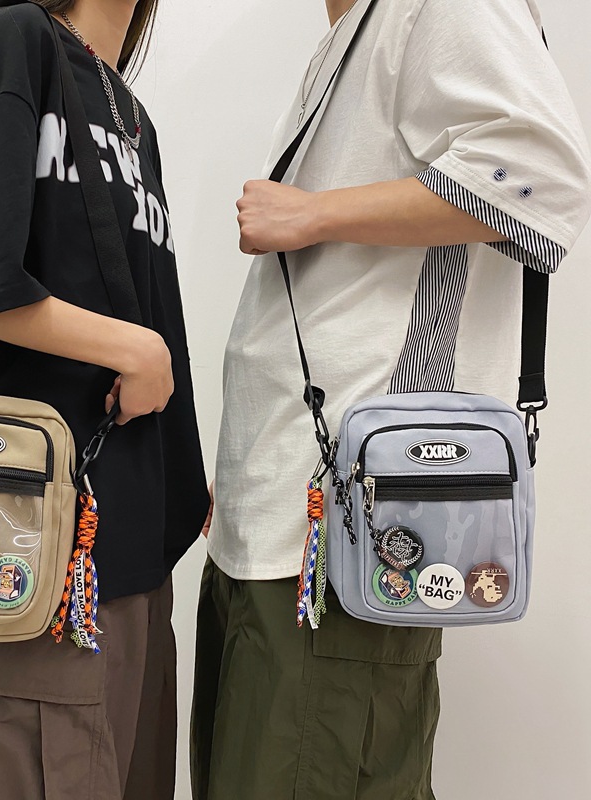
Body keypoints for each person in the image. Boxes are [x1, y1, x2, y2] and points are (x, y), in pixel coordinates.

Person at [192, 1, 591, 798]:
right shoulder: (352, 34)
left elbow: (542, 176)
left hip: (347, 535)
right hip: (283, 519)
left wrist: (313, 212)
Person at [0, 1, 209, 798]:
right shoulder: (20, 39)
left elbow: (150, 308)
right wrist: (136, 350)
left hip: (132, 557)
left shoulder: (133, 116)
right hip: (29, 551)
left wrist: (182, 469)